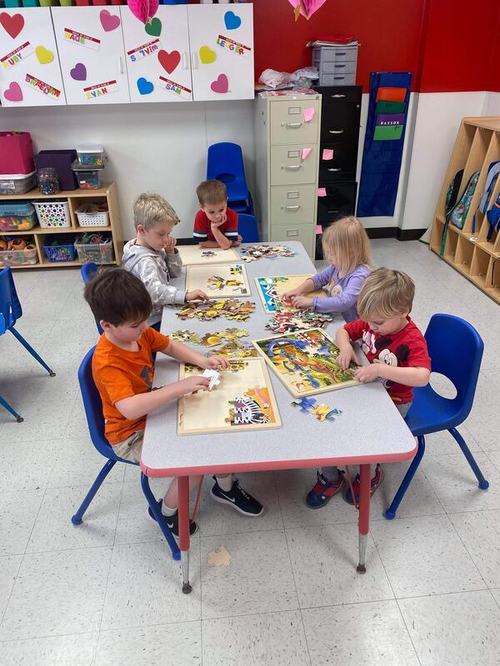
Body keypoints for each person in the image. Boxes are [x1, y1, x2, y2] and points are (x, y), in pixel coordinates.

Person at [84, 269, 264, 536]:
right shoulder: (108, 361)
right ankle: (166, 514)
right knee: (195, 460)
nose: (144, 328)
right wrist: (179, 388)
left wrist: (203, 361)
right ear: (107, 325)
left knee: (218, 431)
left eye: (144, 321)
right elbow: (129, 408)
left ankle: (224, 488)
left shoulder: (138, 333)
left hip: (151, 412)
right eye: (136, 325)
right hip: (130, 434)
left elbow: (168, 346)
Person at [305, 268, 431, 508]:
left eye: (378, 323)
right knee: (324, 420)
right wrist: (345, 348)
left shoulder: (412, 339)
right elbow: (343, 330)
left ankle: (370, 475)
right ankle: (330, 477)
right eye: (368, 320)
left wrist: (380, 369)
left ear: (404, 311)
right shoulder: (372, 320)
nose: (371, 327)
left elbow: (422, 377)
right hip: (367, 389)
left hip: (394, 401)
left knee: (364, 434)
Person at [123, 193, 208, 328]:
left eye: (168, 233)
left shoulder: (150, 245)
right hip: (151, 322)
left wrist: (170, 253)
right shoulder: (145, 261)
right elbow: (154, 292)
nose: (166, 239)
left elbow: (175, 273)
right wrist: (185, 296)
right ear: (141, 230)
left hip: (162, 309)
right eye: (161, 234)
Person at [282, 216, 372, 322]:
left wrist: (311, 302)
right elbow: (318, 279)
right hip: (333, 317)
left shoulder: (360, 275)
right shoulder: (336, 266)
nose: (329, 257)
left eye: (332, 253)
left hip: (349, 326)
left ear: (351, 252)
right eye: (328, 252)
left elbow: (344, 302)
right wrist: (299, 290)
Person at [193, 180, 240, 249]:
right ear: (202, 207)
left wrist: (227, 243)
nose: (217, 216)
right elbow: (202, 243)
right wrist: (214, 228)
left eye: (221, 210)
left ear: (226, 202)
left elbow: (226, 246)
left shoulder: (232, 215)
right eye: (211, 212)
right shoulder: (200, 216)